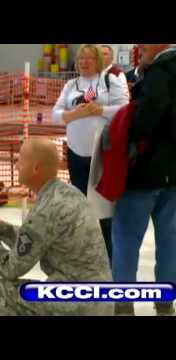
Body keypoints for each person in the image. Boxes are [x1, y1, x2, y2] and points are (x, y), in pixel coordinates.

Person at [0, 138, 113, 316]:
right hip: (100, 300)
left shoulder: (44, 211)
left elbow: (9, 268)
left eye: (20, 159)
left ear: (36, 168)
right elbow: (34, 241)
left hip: (77, 305)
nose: (15, 163)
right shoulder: (70, 193)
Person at [112, 44, 176, 316]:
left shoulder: (161, 71)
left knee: (126, 239)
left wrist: (129, 132)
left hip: (144, 173)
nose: (140, 47)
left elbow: (145, 119)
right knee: (170, 241)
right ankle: (165, 302)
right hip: (173, 175)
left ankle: (124, 304)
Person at [52, 44, 129, 261]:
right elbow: (55, 115)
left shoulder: (109, 81)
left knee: (103, 211)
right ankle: (81, 257)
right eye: (81, 58)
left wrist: (100, 110)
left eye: (89, 58)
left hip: (101, 155)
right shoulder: (70, 85)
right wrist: (72, 114)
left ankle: (108, 260)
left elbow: (125, 110)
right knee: (80, 209)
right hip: (76, 154)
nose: (84, 62)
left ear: (98, 61)